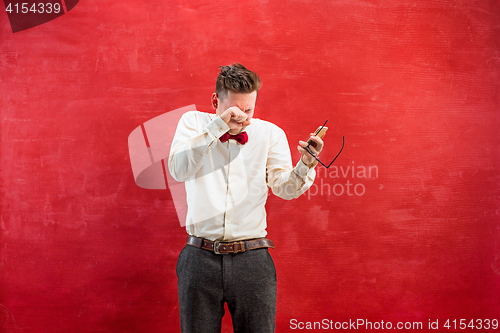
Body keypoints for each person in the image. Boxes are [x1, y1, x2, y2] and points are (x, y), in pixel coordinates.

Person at [168, 63, 324, 333]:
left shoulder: (270, 134)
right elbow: (178, 170)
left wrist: (305, 164)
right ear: (216, 101)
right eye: (236, 111)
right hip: (198, 258)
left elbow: (284, 189)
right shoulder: (192, 124)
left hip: (252, 260)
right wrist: (217, 127)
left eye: (249, 110)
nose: (244, 119)